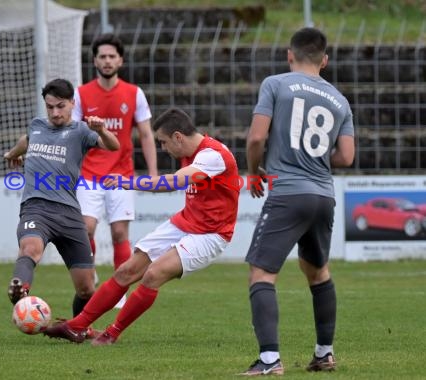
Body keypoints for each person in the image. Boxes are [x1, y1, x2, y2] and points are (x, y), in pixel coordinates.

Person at [44, 107, 239, 345]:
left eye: (164, 142)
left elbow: (175, 181)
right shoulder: (195, 151)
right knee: (126, 270)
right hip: (185, 221)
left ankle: (111, 333)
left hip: (211, 235)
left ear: (178, 137)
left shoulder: (213, 155)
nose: (163, 149)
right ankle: (77, 326)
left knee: (153, 275)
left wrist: (129, 182)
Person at [239, 27, 355, 376]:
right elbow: (346, 157)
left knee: (261, 273)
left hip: (288, 192)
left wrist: (254, 171)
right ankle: (324, 353)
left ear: (290, 55)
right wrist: (315, 161)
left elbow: (257, 136)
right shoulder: (340, 100)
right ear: (326, 60)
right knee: (317, 272)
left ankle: (270, 360)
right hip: (323, 195)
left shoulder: (276, 84)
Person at [4, 78, 120, 326]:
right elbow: (26, 140)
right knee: (30, 250)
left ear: (72, 104)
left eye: (60, 106)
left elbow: (114, 146)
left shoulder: (80, 131)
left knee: (87, 288)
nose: (55, 112)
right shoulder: (36, 126)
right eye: (50, 107)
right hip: (36, 207)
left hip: (68, 213)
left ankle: (75, 327)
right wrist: (12, 154)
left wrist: (100, 129)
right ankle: (19, 287)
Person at [72, 33, 158, 308]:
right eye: (102, 56)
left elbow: (145, 134)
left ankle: (119, 289)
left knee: (119, 234)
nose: (107, 61)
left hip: (121, 175)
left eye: (112, 56)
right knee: (86, 229)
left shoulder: (134, 93)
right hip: (89, 174)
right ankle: (91, 274)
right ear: (94, 60)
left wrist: (153, 174)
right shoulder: (81, 93)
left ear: (120, 60)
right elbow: (73, 135)